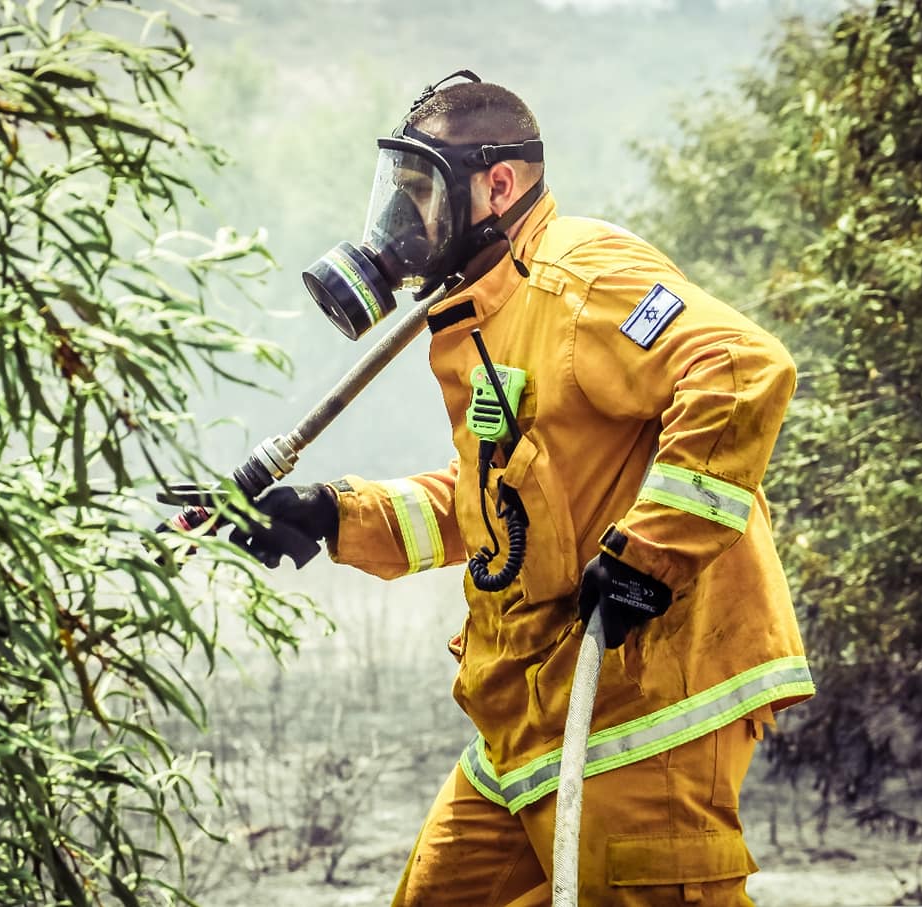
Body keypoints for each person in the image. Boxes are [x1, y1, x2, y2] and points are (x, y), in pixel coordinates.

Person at [230, 72, 813, 906]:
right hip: (526, 716)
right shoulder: (486, 314)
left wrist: (647, 560)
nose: (403, 222)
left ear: (498, 183)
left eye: (422, 190)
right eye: (397, 194)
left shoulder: (580, 273)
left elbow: (741, 366)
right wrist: (334, 515)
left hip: (642, 706)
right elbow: (499, 504)